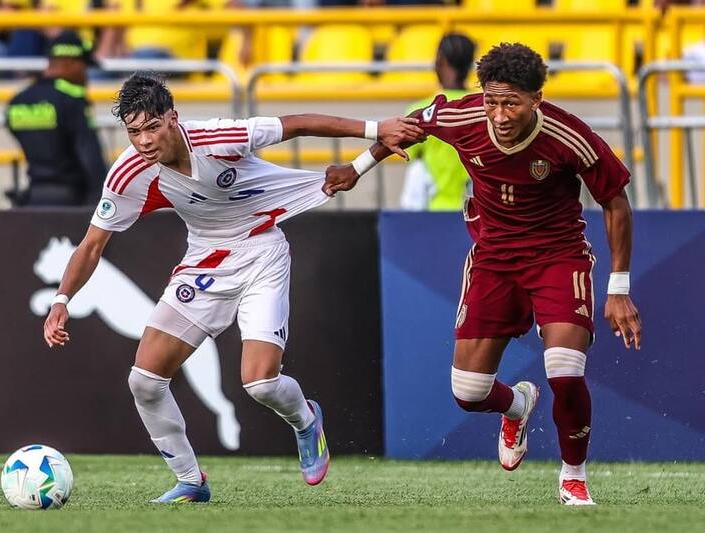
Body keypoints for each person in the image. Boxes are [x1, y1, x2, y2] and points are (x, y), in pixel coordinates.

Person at [42, 71, 423, 503]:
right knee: (144, 381)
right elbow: (92, 245)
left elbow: (295, 123)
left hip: (262, 251)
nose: (144, 141)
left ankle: (305, 420)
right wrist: (61, 299)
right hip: (204, 263)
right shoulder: (130, 173)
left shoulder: (220, 137)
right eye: (133, 132)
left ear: (173, 119)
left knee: (259, 384)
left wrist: (377, 130)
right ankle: (190, 480)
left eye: (151, 127)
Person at [324, 43, 642, 506]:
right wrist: (356, 167)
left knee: (564, 369)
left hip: (558, 256)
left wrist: (619, 287)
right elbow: (410, 127)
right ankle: (517, 405)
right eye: (492, 101)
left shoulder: (570, 136)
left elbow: (615, 202)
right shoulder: (464, 117)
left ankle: (573, 476)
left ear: (537, 98)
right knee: (468, 392)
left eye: (511, 102)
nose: (499, 113)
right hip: (493, 258)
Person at [5, 30, 108, 206]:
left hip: (34, 199)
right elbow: (90, 157)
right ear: (70, 62)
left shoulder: (18, 101)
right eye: (84, 67)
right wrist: (103, 203)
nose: (85, 76)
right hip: (74, 202)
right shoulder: (73, 100)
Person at [400, 32, 475, 211]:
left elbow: (412, 157)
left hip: (433, 211)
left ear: (440, 60)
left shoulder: (420, 111)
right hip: (477, 212)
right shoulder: (484, 107)